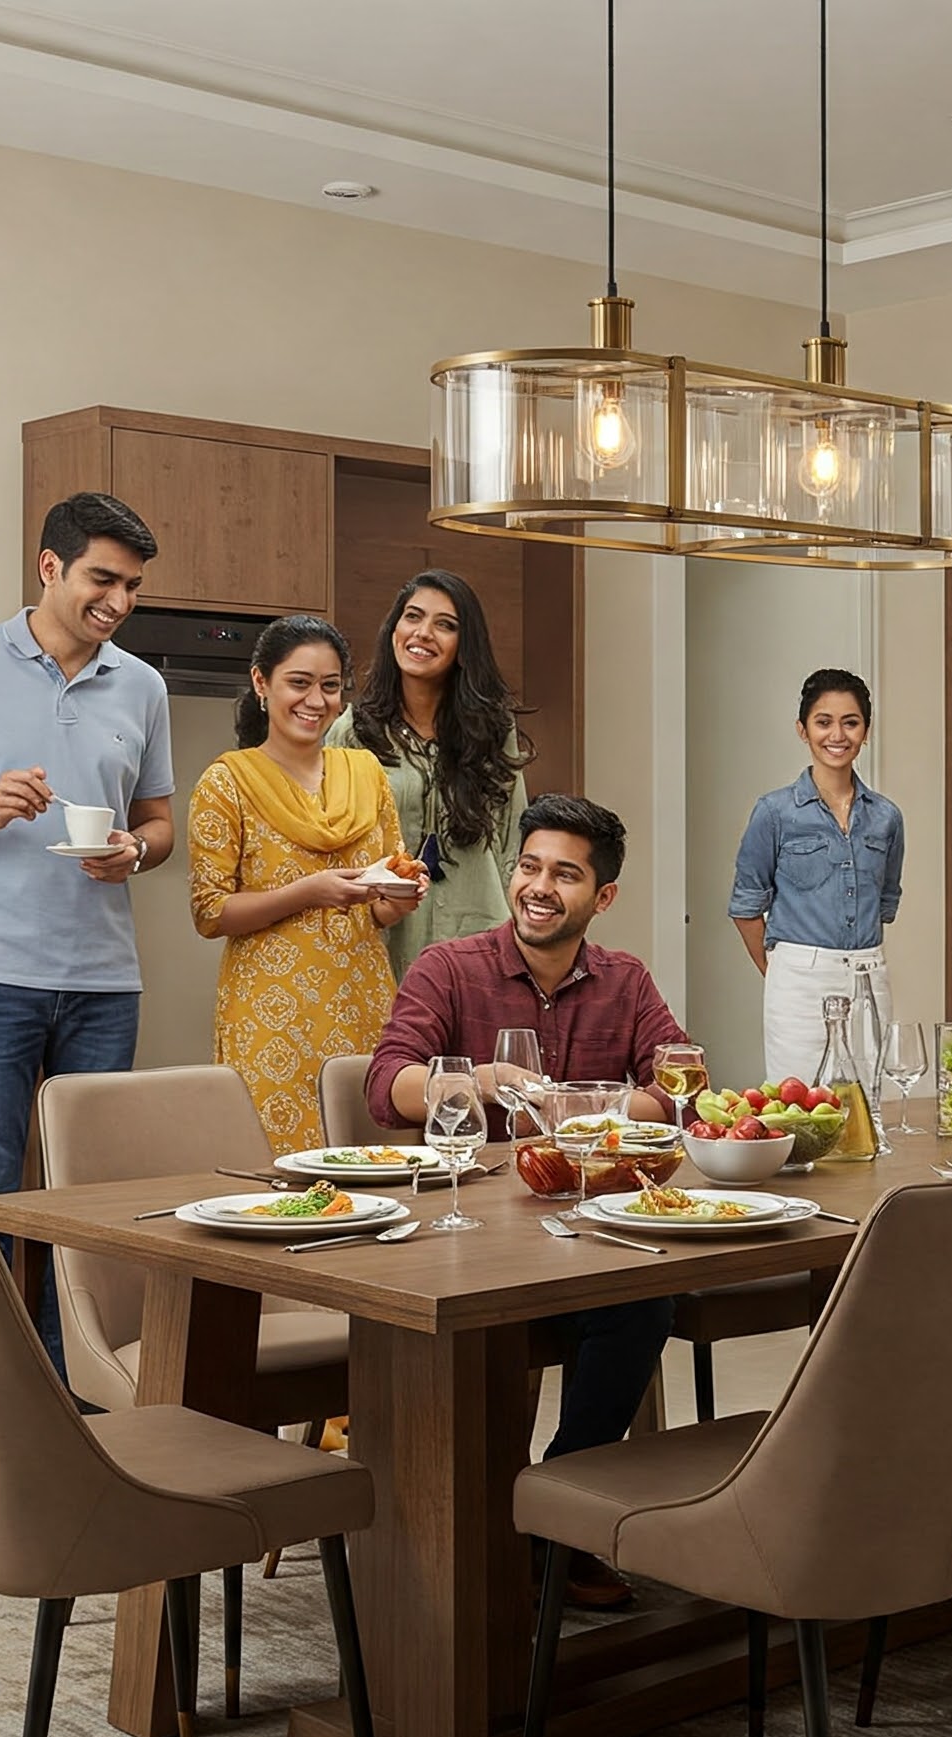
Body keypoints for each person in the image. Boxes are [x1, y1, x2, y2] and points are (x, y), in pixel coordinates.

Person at [367, 794, 681, 1607]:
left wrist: (578, 1105)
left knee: (645, 1297)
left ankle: (557, 1518)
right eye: (530, 867)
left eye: (565, 875)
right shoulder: (448, 968)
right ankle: (468, 1545)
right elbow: (387, 1085)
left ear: (602, 897)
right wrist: (475, 1080)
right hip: (466, 1234)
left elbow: (677, 1086)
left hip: (586, 1231)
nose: (539, 887)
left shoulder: (625, 980)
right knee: (493, 1323)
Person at [0, 492, 175, 1372]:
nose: (118, 601)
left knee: (89, 1198)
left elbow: (160, 825)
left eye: (131, 586)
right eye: (102, 579)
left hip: (104, 982)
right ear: (49, 566)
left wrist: (134, 851)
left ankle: (77, 1381)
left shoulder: (143, 685)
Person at [187, 615, 425, 1154]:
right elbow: (210, 913)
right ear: (261, 682)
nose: (316, 701)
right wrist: (307, 893)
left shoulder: (366, 774)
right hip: (271, 1013)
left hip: (362, 997)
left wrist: (398, 898)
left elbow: (377, 906)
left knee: (374, 1159)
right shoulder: (227, 782)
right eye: (299, 682)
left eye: (330, 686)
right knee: (280, 1171)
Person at [337, 568, 532, 978]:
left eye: (445, 625)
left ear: (464, 647)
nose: (423, 633)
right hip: (384, 942)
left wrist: (521, 940)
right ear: (394, 631)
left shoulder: (493, 731)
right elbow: (333, 848)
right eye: (413, 617)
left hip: (480, 938)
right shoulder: (354, 731)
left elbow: (511, 842)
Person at [729, 667, 905, 1086]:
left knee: (867, 1102)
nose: (837, 735)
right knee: (799, 1101)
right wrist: (782, 973)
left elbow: (885, 902)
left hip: (869, 971)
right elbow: (745, 907)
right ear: (802, 729)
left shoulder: (886, 817)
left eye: (851, 722)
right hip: (798, 976)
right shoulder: (774, 812)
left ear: (866, 731)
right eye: (823, 722)